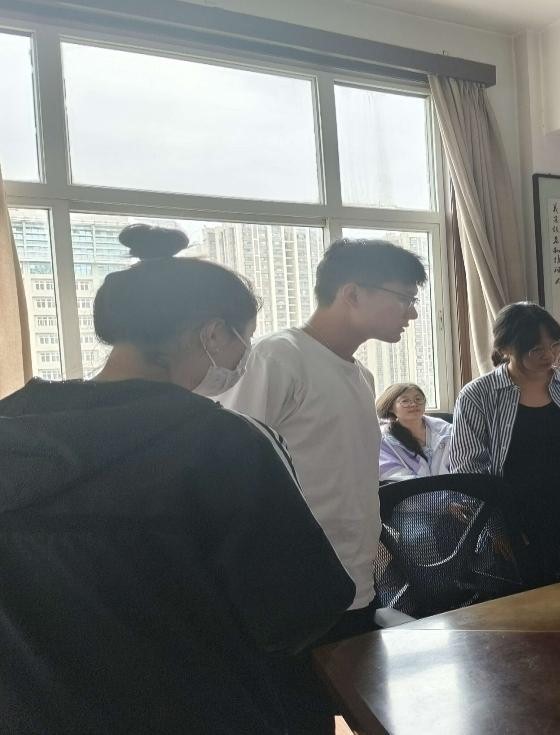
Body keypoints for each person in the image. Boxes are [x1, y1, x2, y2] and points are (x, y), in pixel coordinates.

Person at [0, 224, 353, 733]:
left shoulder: (13, 429)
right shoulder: (222, 445)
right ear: (211, 334)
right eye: (243, 339)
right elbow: (298, 612)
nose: (243, 357)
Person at [218, 237, 427, 731]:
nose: (412, 313)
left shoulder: (360, 375)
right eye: (403, 298)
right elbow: (231, 470)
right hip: (292, 587)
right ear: (352, 293)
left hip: (353, 580)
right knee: (298, 716)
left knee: (355, 707)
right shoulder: (279, 357)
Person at [449, 302, 560, 578]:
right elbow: (469, 469)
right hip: (514, 521)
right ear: (506, 349)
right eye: (536, 349)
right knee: (527, 597)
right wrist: (498, 528)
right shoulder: (478, 394)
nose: (549, 355)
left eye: (555, 345)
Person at [376, 382, 453, 481]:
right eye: (405, 401)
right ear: (390, 407)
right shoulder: (383, 441)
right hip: (411, 490)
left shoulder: (447, 430)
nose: (413, 404)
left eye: (418, 399)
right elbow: (391, 473)